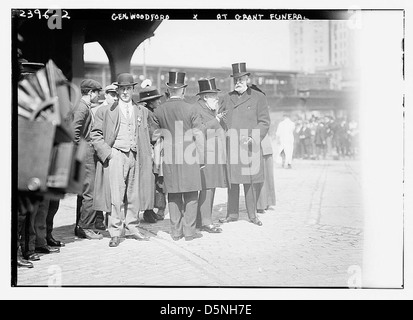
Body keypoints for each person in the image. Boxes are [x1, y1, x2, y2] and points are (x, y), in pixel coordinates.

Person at [91, 73, 153, 247]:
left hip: (135, 154)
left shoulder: (141, 110)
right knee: (116, 195)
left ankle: (133, 227)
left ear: (133, 90)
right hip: (117, 153)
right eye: (122, 89)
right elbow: (95, 135)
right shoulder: (107, 110)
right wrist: (108, 153)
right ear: (117, 90)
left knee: (134, 194)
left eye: (128, 89)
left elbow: (148, 132)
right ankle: (116, 232)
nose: (125, 92)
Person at [152, 71, 205, 241]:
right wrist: (202, 159)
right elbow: (199, 136)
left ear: (168, 89)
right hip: (190, 158)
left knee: (173, 195)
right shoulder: (191, 109)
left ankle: (175, 232)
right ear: (183, 90)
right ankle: (189, 232)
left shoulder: (159, 110)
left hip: (170, 159)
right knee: (191, 195)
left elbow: (153, 135)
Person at [218, 62, 270, 226]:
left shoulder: (258, 97)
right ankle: (232, 214)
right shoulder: (227, 97)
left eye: (241, 78)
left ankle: (252, 215)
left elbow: (264, 122)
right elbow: (222, 118)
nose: (238, 82)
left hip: (249, 146)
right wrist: (224, 130)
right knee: (232, 181)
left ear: (247, 79)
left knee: (250, 182)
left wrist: (253, 138)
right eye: (236, 79)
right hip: (232, 145)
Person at [72, 79, 104, 240]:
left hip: (84, 152)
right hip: (86, 153)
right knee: (90, 192)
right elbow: (74, 133)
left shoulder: (83, 107)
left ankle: (80, 226)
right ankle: (86, 227)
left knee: (84, 191)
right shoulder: (82, 108)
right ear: (90, 93)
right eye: (97, 92)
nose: (98, 95)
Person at [193, 78, 227, 233]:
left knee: (210, 187)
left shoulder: (209, 108)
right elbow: (199, 130)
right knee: (207, 187)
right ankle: (205, 221)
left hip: (214, 154)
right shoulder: (197, 109)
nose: (217, 98)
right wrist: (216, 120)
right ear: (205, 96)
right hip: (205, 154)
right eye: (214, 95)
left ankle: (202, 219)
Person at [138, 82, 166, 223]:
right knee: (153, 181)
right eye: (156, 99)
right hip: (152, 151)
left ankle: (151, 210)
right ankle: (149, 211)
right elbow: (153, 135)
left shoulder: (149, 112)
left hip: (155, 149)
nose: (159, 101)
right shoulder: (148, 114)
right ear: (149, 102)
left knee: (155, 181)